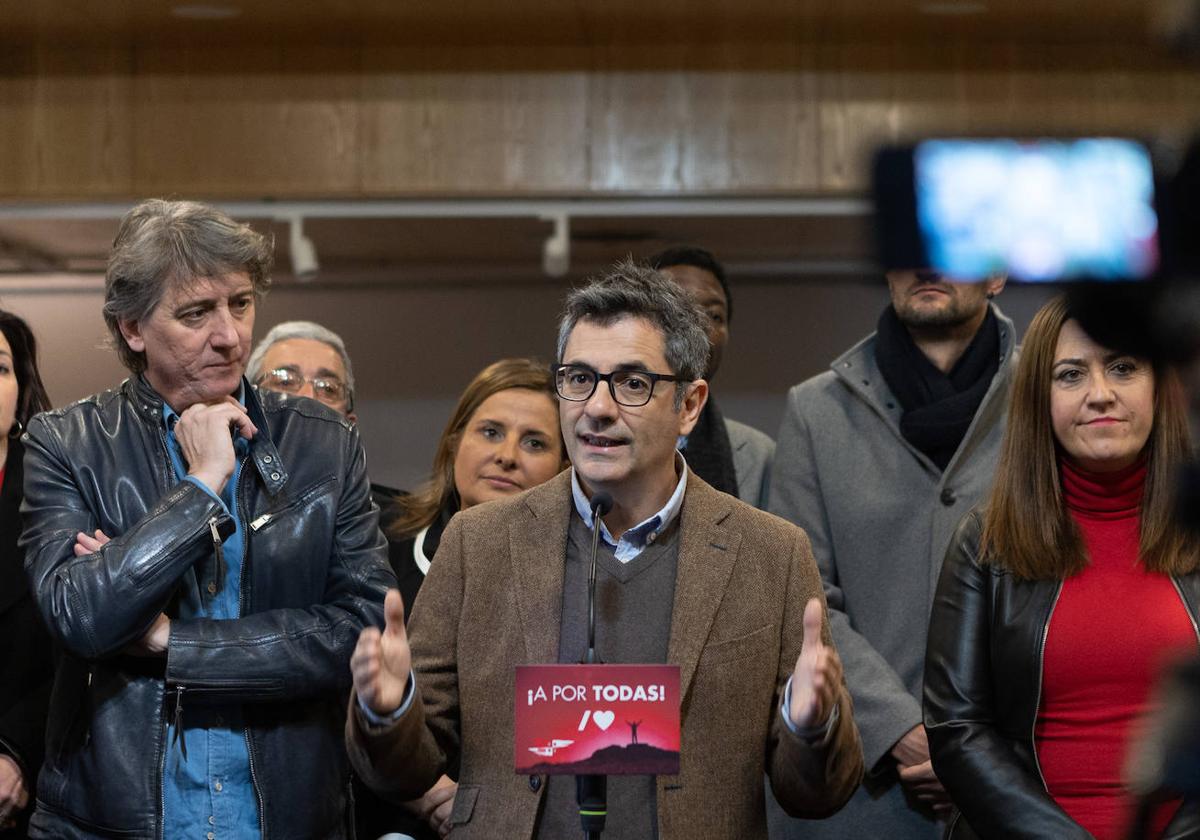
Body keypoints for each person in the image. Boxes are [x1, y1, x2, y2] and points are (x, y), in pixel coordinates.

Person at [346, 260, 863, 840]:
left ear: (689, 405)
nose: (596, 406)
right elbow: (408, 765)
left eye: (632, 383)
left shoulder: (770, 554)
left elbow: (816, 794)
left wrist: (811, 724)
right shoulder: (480, 542)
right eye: (578, 378)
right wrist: (389, 711)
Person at [20, 199, 393, 839]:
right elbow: (80, 616)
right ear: (132, 328)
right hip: (110, 823)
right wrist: (202, 485)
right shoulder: (67, 442)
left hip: (284, 819)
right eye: (196, 313)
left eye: (241, 304)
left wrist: (173, 643)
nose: (230, 336)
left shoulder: (323, 444)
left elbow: (360, 630)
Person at [924, 297, 1200, 840]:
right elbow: (958, 730)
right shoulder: (985, 542)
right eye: (1071, 375)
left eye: (1123, 367)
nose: (1101, 394)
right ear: (1040, 400)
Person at [768, 269, 1012, 840]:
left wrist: (980, 745)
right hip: (862, 788)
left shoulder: (1048, 395)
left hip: (1015, 781)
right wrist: (901, 729)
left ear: (998, 274)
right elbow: (802, 596)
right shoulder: (815, 411)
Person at [365, 357, 567, 840]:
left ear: (565, 468)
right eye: (491, 432)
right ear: (455, 442)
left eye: (534, 442)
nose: (507, 456)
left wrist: (481, 804)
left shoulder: (582, 575)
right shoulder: (377, 544)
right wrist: (426, 788)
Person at [246, 319, 402, 527]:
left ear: (350, 424)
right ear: (247, 405)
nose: (308, 398)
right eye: (285, 381)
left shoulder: (388, 524)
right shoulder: (219, 500)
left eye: (328, 388)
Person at [651, 246, 775, 508]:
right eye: (677, 309)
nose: (698, 326)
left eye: (713, 315)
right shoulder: (599, 433)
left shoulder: (759, 455)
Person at [0, 311, 52, 837]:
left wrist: (15, 753)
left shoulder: (57, 491)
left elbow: (77, 646)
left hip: (22, 783)